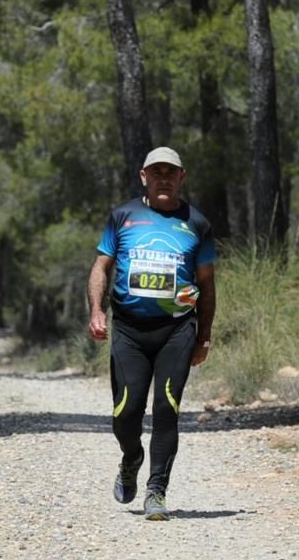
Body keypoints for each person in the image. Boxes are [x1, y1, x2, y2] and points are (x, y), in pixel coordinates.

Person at [87, 146, 216, 521]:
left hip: (177, 329)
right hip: (128, 329)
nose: (163, 178)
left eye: (170, 172)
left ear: (181, 177)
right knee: (126, 412)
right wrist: (96, 311)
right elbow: (101, 267)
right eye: (155, 172)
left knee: (167, 408)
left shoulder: (198, 224)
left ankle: (156, 490)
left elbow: (208, 285)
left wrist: (204, 336)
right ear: (144, 176)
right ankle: (131, 457)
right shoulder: (123, 216)